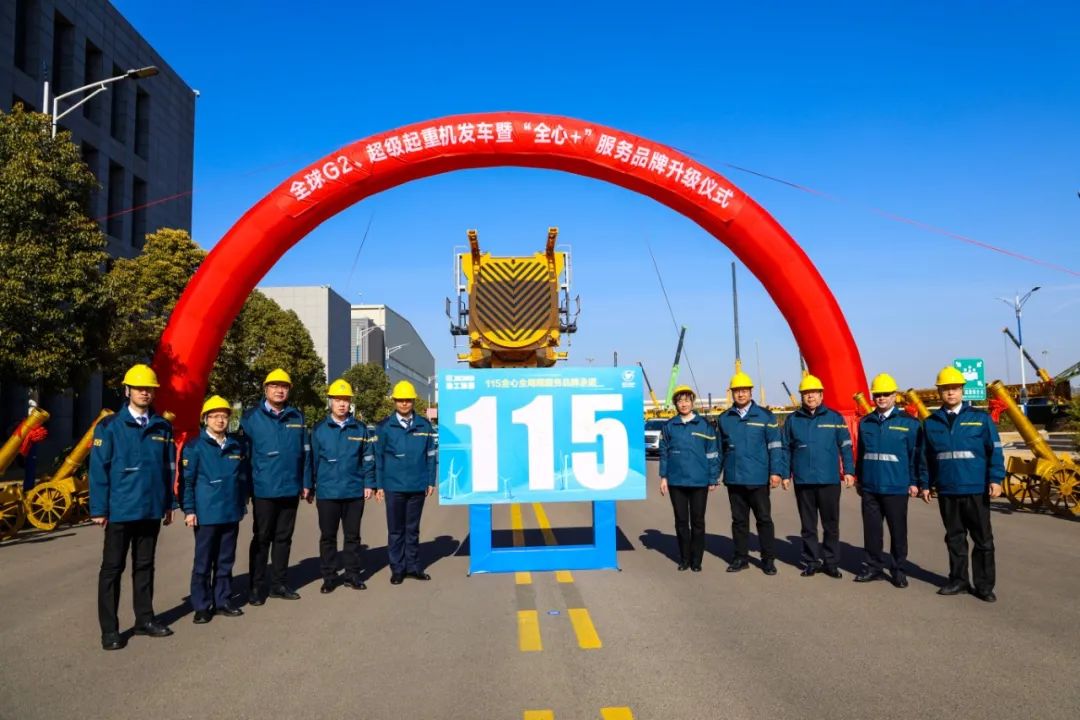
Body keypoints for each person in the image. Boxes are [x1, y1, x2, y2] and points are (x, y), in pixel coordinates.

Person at [89, 364, 176, 651]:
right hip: (120, 510)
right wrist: (98, 509)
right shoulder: (109, 426)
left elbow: (168, 468)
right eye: (139, 388)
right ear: (127, 390)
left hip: (150, 509)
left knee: (145, 566)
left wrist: (169, 504)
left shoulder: (162, 426)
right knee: (112, 569)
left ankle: (144, 619)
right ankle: (110, 630)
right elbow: (98, 469)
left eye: (149, 389)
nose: (144, 393)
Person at [921, 366, 1004, 602]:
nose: (950, 392)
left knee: (983, 540)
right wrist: (925, 484)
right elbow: (925, 457)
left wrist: (996, 479)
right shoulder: (931, 423)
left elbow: (995, 451)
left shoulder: (980, 419)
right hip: (947, 489)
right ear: (939, 392)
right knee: (954, 538)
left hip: (975, 488)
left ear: (962, 390)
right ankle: (958, 581)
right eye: (945, 388)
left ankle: (984, 586)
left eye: (955, 388)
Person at [240, 368, 311, 604]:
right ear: (265, 389)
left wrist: (306, 482)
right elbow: (244, 457)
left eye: (284, 386)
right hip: (263, 489)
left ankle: (279, 584)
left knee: (284, 538)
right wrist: (245, 489)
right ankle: (256, 586)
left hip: (290, 488)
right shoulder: (250, 418)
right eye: (274, 386)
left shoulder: (297, 417)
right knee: (261, 538)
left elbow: (305, 453)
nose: (279, 390)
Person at [181, 395, 251, 623]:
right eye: (214, 416)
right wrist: (189, 510)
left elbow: (242, 478)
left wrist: (241, 504)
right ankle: (202, 606)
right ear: (205, 419)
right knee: (203, 562)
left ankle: (222, 600)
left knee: (225, 560)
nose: (220, 420)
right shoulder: (194, 447)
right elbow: (187, 482)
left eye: (224, 416)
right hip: (206, 514)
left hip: (230, 512)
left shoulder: (236, 445)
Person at [853, 373, 925, 588]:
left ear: (895, 396)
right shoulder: (866, 422)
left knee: (898, 531)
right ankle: (873, 567)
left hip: (896, 487)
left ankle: (898, 570)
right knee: (872, 531)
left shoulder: (909, 423)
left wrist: (915, 482)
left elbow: (916, 455)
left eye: (886, 394)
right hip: (870, 487)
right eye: (878, 394)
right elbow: (861, 454)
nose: (881, 398)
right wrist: (859, 479)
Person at [781, 374, 855, 578]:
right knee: (808, 526)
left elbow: (845, 445)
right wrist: (785, 474)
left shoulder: (834, 418)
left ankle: (831, 562)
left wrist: (849, 470)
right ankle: (811, 561)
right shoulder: (793, 420)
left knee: (831, 525)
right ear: (801, 396)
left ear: (821, 395)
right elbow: (785, 448)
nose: (810, 396)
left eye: (813, 392)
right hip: (803, 481)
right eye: (806, 393)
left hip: (828, 480)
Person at [309, 379, 375, 594]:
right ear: (330, 402)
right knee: (328, 537)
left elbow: (368, 457)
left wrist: (369, 483)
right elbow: (312, 461)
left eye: (346, 400)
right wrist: (309, 486)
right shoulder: (319, 429)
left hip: (353, 491)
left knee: (352, 537)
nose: (342, 404)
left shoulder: (360, 428)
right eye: (337, 399)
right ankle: (329, 577)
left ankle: (352, 575)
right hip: (327, 492)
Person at [717, 371, 786, 576]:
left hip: (758, 478)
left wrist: (776, 472)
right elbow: (719, 450)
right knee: (739, 522)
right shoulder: (724, 418)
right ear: (732, 393)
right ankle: (740, 558)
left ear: (751, 392)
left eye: (744, 390)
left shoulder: (765, 416)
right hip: (735, 479)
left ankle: (768, 559)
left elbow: (775, 446)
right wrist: (713, 476)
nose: (741, 394)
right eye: (737, 390)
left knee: (764, 519)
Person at [374, 380, 436, 585]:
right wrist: (379, 485)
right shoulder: (384, 427)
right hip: (393, 487)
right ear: (394, 401)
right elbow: (379, 458)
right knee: (396, 530)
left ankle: (414, 567)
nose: (404, 403)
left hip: (417, 485)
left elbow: (430, 455)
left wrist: (431, 480)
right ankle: (397, 569)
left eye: (408, 400)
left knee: (412, 529)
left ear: (413, 401)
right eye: (400, 400)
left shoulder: (424, 425)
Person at [658, 385, 721, 572]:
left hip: (699, 482)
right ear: (675, 404)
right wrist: (663, 477)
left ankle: (696, 560)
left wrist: (713, 478)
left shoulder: (704, 426)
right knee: (681, 521)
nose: (683, 404)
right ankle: (684, 559)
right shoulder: (669, 426)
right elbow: (664, 453)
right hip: (676, 482)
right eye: (679, 401)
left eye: (686, 400)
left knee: (698, 522)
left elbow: (712, 453)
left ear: (692, 402)